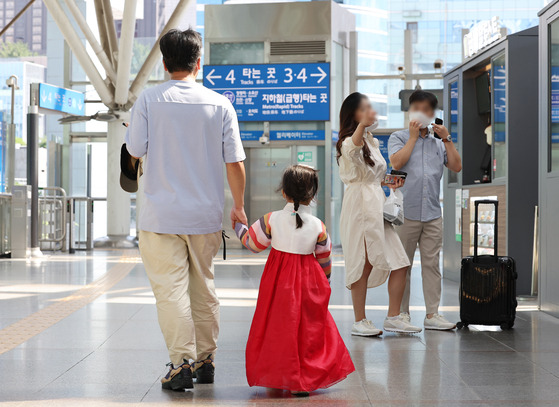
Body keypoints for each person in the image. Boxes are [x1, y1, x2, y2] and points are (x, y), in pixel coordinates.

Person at [125, 29, 247, 391]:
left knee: (171, 291)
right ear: (198, 62)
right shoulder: (220, 103)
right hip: (204, 216)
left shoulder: (149, 99)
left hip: (160, 217)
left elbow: (134, 148)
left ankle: (181, 364)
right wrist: (238, 206)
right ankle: (206, 360)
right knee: (204, 287)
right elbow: (235, 163)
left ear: (164, 63)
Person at [234, 165, 355, 396]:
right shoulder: (319, 225)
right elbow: (325, 258)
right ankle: (305, 377)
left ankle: (280, 374)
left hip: (278, 282)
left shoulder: (271, 219)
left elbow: (252, 244)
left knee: (279, 327)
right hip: (309, 281)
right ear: (312, 194)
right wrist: (325, 283)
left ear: (283, 193)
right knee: (307, 329)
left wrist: (239, 227)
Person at [337, 92, 422, 336]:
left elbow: (374, 172)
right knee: (363, 263)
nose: (370, 112)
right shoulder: (348, 141)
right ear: (354, 114)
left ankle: (394, 316)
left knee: (399, 261)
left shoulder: (371, 140)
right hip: (359, 207)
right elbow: (352, 151)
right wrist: (362, 126)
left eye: (370, 108)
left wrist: (389, 183)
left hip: (377, 203)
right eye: (365, 109)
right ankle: (359, 320)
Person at [388, 90, 462, 331]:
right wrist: (412, 137)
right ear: (411, 111)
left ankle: (432, 314)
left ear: (433, 114)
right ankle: (402, 314)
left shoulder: (439, 143)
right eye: (418, 107)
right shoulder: (398, 137)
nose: (423, 112)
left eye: (428, 109)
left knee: (432, 264)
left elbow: (457, 166)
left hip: (432, 212)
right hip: (405, 213)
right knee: (402, 265)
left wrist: (447, 139)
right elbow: (397, 163)